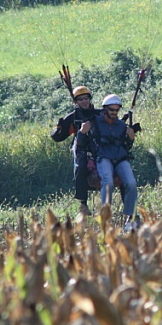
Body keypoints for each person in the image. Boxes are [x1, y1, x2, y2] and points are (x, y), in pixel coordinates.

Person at [76, 94, 139, 231]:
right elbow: (80, 144)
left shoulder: (121, 125)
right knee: (108, 182)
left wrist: (131, 138)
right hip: (103, 158)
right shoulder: (94, 123)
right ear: (105, 109)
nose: (114, 113)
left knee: (131, 183)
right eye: (111, 110)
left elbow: (127, 146)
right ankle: (105, 218)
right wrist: (82, 132)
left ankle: (131, 217)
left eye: (117, 110)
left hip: (120, 158)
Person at [51, 86, 100, 215]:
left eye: (86, 98)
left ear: (89, 99)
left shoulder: (99, 114)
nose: (84, 101)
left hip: (97, 145)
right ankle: (83, 204)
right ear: (76, 102)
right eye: (81, 99)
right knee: (81, 166)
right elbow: (58, 137)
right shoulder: (72, 118)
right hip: (81, 147)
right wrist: (59, 129)